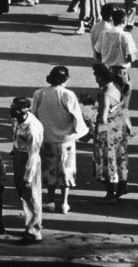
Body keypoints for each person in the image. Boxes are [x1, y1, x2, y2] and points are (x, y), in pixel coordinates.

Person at [30, 65, 86, 214]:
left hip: (46, 138)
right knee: (65, 171)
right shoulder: (68, 94)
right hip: (66, 140)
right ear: (65, 79)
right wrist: (80, 132)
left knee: (49, 171)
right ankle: (65, 203)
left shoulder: (39, 94)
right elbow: (77, 118)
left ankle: (50, 201)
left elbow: (34, 115)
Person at [92, 64, 131, 203]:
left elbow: (102, 118)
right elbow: (113, 108)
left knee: (107, 160)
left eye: (96, 76)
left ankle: (110, 195)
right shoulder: (116, 87)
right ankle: (122, 187)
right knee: (120, 157)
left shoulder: (104, 93)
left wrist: (91, 119)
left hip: (107, 130)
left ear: (101, 77)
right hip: (119, 127)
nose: (96, 80)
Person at [10, 96, 44, 246]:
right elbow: (16, 134)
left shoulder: (33, 127)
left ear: (25, 110)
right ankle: (30, 225)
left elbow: (34, 154)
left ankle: (34, 233)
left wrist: (28, 178)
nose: (12, 111)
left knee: (31, 195)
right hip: (19, 154)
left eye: (16, 109)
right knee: (21, 191)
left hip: (29, 160)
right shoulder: (18, 119)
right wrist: (14, 149)